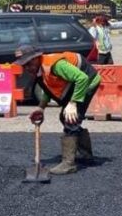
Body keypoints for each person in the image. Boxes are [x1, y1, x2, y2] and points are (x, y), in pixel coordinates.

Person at [15, 45, 101, 174]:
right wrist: (41, 107)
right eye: (24, 65)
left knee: (70, 119)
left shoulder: (55, 65)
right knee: (65, 117)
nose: (27, 67)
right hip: (75, 85)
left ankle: (68, 164)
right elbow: (49, 89)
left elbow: (82, 78)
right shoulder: (40, 71)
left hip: (88, 82)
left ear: (37, 58)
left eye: (29, 63)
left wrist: (73, 103)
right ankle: (86, 155)